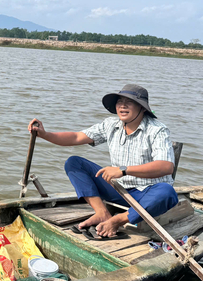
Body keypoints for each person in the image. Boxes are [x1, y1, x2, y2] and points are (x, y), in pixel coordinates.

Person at [27, 84, 178, 238]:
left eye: (129, 102)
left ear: (142, 108)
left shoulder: (157, 130)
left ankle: (118, 220)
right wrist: (44, 134)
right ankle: (101, 213)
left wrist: (123, 170)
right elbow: (76, 137)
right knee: (74, 163)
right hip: (119, 189)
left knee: (166, 192)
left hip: (147, 194)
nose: (123, 105)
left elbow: (166, 167)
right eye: (120, 101)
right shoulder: (111, 125)